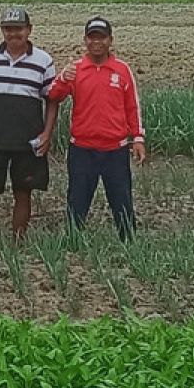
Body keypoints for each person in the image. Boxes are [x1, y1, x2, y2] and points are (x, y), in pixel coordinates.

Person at [0, 7, 59, 243]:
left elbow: (52, 100)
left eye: (18, 29)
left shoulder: (43, 61)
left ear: (29, 30)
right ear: (2, 31)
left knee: (23, 193)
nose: (13, 34)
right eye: (8, 29)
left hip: (27, 139)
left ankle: (18, 242)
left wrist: (47, 133)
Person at [47, 17, 146, 241]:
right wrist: (63, 79)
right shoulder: (76, 69)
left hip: (115, 150)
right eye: (92, 38)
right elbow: (53, 95)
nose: (96, 42)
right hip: (82, 150)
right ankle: (73, 241)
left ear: (110, 40)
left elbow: (132, 105)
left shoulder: (122, 70)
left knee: (121, 199)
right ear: (85, 40)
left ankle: (128, 242)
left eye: (101, 37)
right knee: (77, 199)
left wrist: (138, 138)